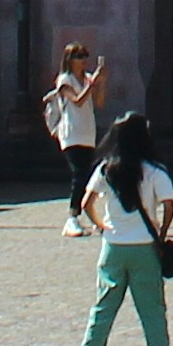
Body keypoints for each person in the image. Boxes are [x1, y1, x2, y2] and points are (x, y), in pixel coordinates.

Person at [71, 108, 173, 346]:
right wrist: (162, 233)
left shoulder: (106, 168)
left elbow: (86, 203)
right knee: (153, 314)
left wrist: (101, 226)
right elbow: (169, 206)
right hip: (144, 247)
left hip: (113, 247)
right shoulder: (155, 171)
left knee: (103, 309)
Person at [44, 43, 105, 232]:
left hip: (87, 131)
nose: (83, 60)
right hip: (71, 132)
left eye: (85, 56)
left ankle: (87, 214)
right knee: (79, 174)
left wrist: (101, 83)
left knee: (87, 174)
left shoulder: (87, 78)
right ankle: (72, 217)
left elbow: (99, 103)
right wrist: (91, 84)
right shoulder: (65, 79)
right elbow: (77, 101)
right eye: (79, 56)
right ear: (69, 60)